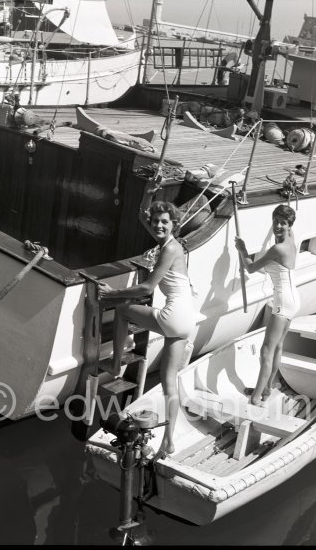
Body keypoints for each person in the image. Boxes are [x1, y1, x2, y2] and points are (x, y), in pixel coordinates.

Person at [98, 180, 197, 456]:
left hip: (172, 316)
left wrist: (112, 293)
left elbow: (147, 288)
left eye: (164, 222)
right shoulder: (170, 243)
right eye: (155, 221)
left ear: (174, 224)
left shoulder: (169, 249)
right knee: (169, 381)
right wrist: (149, 193)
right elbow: (143, 215)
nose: (158, 226)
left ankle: (117, 363)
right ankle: (168, 441)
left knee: (121, 308)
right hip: (187, 322)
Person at [235, 204, 300, 406]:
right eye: (275, 221)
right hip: (293, 299)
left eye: (283, 223)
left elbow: (251, 268)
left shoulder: (277, 248)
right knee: (277, 346)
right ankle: (267, 389)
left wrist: (243, 250)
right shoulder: (291, 240)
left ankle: (255, 398)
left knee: (266, 351)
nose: (278, 226)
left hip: (282, 302)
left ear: (290, 225)